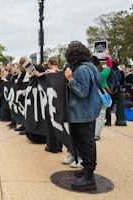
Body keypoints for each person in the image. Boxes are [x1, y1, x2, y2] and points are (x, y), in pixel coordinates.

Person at [64, 41, 101, 191]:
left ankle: (89, 177)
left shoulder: (81, 70)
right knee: (85, 143)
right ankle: (86, 170)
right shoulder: (90, 67)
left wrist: (71, 80)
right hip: (87, 112)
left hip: (82, 113)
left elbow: (82, 92)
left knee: (86, 144)